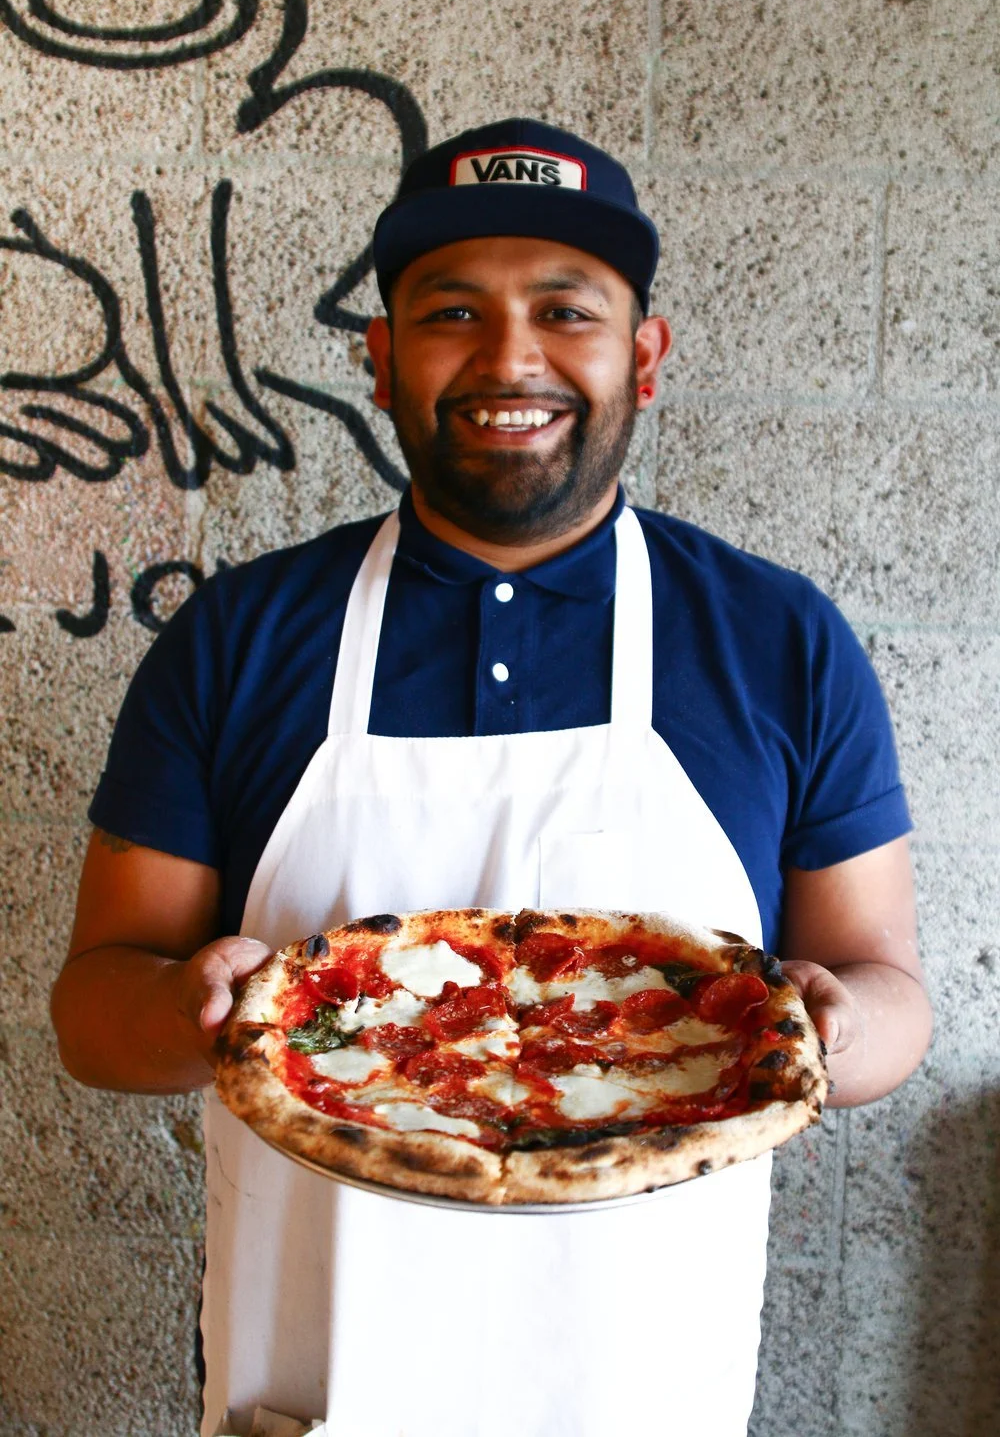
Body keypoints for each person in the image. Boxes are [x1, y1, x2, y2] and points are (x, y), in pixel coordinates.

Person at [52, 119, 932, 1437]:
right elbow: (92, 1010)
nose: (510, 356)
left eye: (565, 310)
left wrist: (832, 1027)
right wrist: (191, 1007)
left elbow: (889, 990)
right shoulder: (243, 636)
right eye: (452, 311)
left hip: (646, 1380)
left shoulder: (775, 638)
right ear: (382, 354)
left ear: (645, 352)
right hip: (319, 1376)